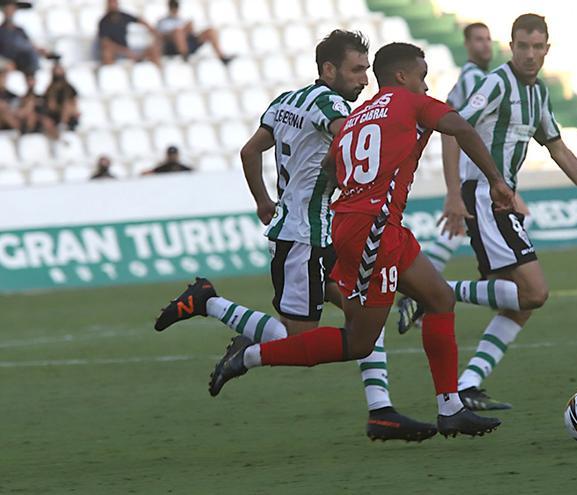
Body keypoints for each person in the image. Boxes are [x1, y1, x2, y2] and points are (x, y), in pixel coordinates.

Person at [207, 42, 516, 438]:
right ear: (403, 77)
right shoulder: (409, 102)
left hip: (369, 223)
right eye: (422, 76)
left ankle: (450, 407)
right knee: (359, 341)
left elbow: (331, 164)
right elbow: (459, 127)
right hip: (374, 229)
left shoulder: (358, 115)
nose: (425, 85)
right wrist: (496, 181)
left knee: (439, 298)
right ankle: (250, 356)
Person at [152, 31, 437, 442]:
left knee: (364, 323)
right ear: (328, 69)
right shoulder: (333, 106)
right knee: (299, 341)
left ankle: (382, 412)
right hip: (307, 237)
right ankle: (210, 304)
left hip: (317, 233)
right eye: (357, 70)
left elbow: (250, 152)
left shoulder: (285, 101)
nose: (364, 80)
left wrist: (263, 201)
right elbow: (349, 141)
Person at [436, 14, 577, 410]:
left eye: (537, 47)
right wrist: (452, 194)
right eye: (523, 46)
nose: (530, 55)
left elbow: (558, 147)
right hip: (484, 195)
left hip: (501, 197)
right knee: (534, 292)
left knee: (519, 306)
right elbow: (452, 126)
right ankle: (432, 290)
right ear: (510, 46)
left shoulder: (538, 93)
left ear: (547, 49)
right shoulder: (496, 83)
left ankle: (467, 385)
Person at [395, 22, 532, 335]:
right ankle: (426, 293)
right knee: (516, 280)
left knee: (455, 235)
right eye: (478, 40)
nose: (485, 45)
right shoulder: (475, 80)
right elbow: (458, 131)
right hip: (478, 180)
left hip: (477, 179)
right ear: (467, 45)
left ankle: (420, 293)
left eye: (488, 39)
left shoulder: (478, 78)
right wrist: (459, 188)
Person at [156, 0, 233, 64]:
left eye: (176, 7)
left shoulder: (181, 19)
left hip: (188, 42)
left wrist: (188, 29)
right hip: (173, 46)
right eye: (173, 7)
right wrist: (182, 31)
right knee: (178, 32)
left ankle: (221, 56)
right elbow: (162, 37)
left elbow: (192, 33)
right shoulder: (162, 21)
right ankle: (185, 56)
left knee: (210, 31)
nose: (174, 10)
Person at [0, 0, 53, 90]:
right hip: (7, 63)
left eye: (12, 9)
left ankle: (31, 91)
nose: (10, 12)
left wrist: (42, 51)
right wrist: (6, 63)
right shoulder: (1, 31)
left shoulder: (20, 30)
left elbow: (30, 45)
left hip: (23, 62)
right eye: (7, 9)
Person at [98, 0, 161, 66]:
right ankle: (112, 74)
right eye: (111, 3)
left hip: (129, 50)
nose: (113, 5)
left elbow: (139, 20)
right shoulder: (103, 22)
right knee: (107, 53)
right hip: (117, 52)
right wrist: (125, 51)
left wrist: (153, 30)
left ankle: (157, 72)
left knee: (154, 50)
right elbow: (105, 43)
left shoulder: (123, 16)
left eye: (114, 2)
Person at [43, 61, 80, 131]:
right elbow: (50, 105)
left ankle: (63, 125)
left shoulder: (69, 88)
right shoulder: (50, 89)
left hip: (68, 115)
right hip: (55, 114)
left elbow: (74, 102)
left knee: (67, 106)